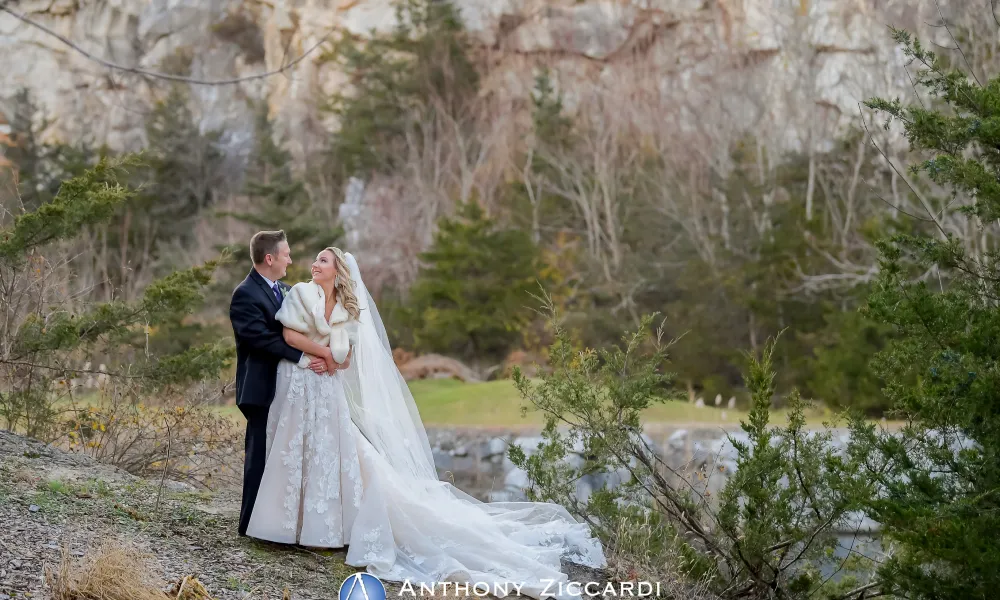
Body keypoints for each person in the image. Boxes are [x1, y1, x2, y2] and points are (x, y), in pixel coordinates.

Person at [244, 244, 606, 599]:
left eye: (322, 260)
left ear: (338, 271)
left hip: (327, 389)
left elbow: (348, 360)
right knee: (295, 451)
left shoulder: (347, 309)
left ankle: (323, 533)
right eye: (315, 259)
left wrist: (333, 361)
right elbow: (290, 335)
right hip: (299, 383)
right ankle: (283, 527)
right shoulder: (301, 295)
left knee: (328, 455)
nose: (313, 264)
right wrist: (322, 354)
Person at [228, 230, 333, 536]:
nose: (291, 259)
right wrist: (302, 356)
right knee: (259, 456)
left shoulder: (284, 290)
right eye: (286, 254)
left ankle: (279, 524)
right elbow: (259, 338)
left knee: (282, 457)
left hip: (290, 389)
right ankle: (249, 525)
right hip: (260, 387)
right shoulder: (245, 294)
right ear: (270, 258)